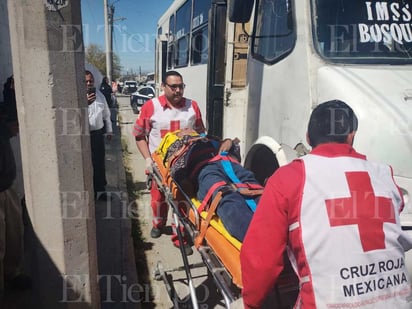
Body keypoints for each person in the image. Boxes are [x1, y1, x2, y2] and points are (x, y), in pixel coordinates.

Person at [240, 100, 412, 308]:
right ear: (352, 135)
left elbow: (260, 261)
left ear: (308, 137)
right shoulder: (385, 175)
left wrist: (250, 304)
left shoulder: (289, 178)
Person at [132, 70, 206, 255]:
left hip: (184, 166)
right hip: (159, 165)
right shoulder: (151, 107)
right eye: (173, 86)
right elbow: (139, 135)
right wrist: (148, 160)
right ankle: (158, 223)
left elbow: (201, 132)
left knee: (180, 201)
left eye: (181, 86)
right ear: (163, 87)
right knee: (158, 200)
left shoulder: (192, 106)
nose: (178, 90)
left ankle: (179, 237)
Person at [196, 138, 262, 242]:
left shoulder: (209, 138)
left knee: (256, 191)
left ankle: (282, 233)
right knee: (225, 195)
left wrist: (229, 141)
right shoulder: (181, 141)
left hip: (231, 163)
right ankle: (259, 240)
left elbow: (229, 142)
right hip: (207, 168)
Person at [0, 95, 31, 300]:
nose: (19, 129)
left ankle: (12, 273)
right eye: (17, 124)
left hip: (7, 187)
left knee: (14, 234)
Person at [85, 70, 113, 200]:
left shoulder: (100, 96)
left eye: (91, 81)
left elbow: (106, 115)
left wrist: (109, 131)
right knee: (86, 164)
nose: (89, 83)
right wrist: (85, 104)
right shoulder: (77, 99)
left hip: (97, 135)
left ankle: (100, 192)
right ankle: (89, 193)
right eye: (86, 81)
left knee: (99, 164)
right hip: (84, 136)